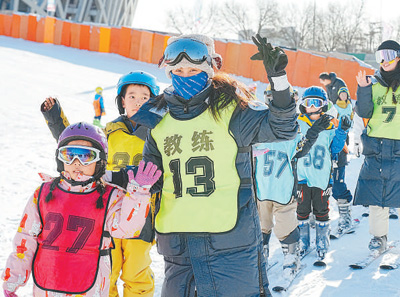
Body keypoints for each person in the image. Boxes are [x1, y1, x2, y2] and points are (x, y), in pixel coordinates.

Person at [110, 33, 298, 297]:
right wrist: (107, 175)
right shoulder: (157, 118)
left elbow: (284, 127)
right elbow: (149, 175)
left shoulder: (233, 110)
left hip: (230, 243)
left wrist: (278, 81)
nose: (185, 75)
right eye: (178, 70)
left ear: (210, 67)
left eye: (194, 69)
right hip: (178, 245)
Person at [1, 122, 161, 297]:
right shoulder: (44, 194)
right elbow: (25, 240)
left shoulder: (109, 196)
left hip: (90, 286)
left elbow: (127, 228)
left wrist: (139, 192)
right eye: (68, 155)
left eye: (86, 156)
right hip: (47, 285)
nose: (76, 162)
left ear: (100, 161)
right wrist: (12, 280)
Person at [41, 71, 160, 297]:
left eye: (145, 97)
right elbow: (80, 145)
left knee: (137, 272)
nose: (138, 102)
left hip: (142, 215)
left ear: (153, 102)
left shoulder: (159, 133)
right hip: (108, 211)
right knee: (108, 270)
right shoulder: (109, 132)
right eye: (132, 96)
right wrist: (55, 118)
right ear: (121, 100)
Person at [254, 89, 331, 275]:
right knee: (261, 225)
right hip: (262, 189)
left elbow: (302, 148)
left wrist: (314, 131)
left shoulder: (293, 128)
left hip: (284, 188)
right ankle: (261, 254)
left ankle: (291, 254)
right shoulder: (258, 125)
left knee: (286, 223)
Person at [354, 40, 400, 254]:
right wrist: (363, 89)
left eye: (389, 55)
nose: (384, 60)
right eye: (380, 55)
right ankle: (378, 237)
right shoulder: (373, 83)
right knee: (377, 197)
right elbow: (364, 112)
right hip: (377, 147)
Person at [296, 86, 350, 262]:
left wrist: (342, 131)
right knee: (302, 209)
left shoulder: (329, 124)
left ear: (324, 105)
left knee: (321, 209)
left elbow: (335, 148)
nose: (312, 107)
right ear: (303, 105)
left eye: (316, 103)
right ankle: (303, 241)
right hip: (302, 174)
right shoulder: (298, 123)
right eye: (308, 103)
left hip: (321, 175)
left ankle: (322, 240)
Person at [331, 86, 355, 233]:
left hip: (339, 150)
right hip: (321, 159)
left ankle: (345, 214)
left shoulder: (348, 107)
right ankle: (313, 217)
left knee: (337, 186)